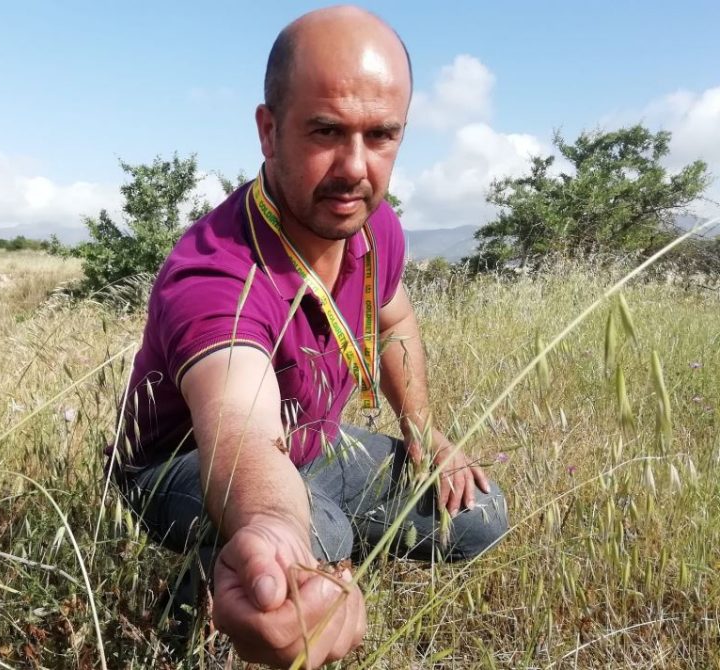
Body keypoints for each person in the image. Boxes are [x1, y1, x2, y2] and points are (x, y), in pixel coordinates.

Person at [107, 5, 509, 666]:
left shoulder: (370, 226)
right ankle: (203, 592)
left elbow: (395, 317)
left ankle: (298, 556)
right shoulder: (215, 276)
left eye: (382, 135)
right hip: (182, 465)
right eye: (326, 130)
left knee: (475, 515)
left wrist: (423, 431)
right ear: (269, 131)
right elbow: (238, 432)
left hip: (309, 443)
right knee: (316, 535)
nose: (356, 167)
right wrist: (272, 523)